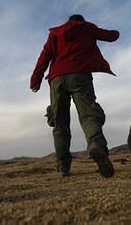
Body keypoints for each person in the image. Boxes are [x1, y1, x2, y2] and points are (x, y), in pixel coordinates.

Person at [30, 14, 119, 177]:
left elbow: (44, 56)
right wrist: (117, 31)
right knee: (89, 115)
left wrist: (36, 79)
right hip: (80, 76)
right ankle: (96, 145)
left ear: (68, 21)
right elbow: (111, 36)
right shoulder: (87, 28)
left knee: (60, 123)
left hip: (57, 79)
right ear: (81, 21)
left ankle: (63, 166)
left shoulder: (55, 33)